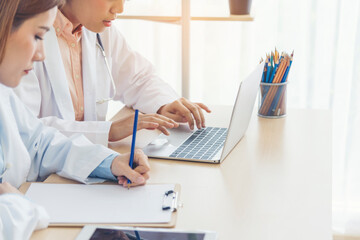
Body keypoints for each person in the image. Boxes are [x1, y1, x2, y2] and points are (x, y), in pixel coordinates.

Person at [0, 0, 150, 238]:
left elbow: (40, 142)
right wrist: (23, 207)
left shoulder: (4, 96)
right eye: (38, 36)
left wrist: (108, 163)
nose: (41, 55)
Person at [14, 0, 211, 147]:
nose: (120, 8)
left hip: (88, 164)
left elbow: (138, 78)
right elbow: (25, 128)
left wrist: (164, 104)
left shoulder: (99, 30)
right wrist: (108, 130)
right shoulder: (25, 36)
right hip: (42, 179)